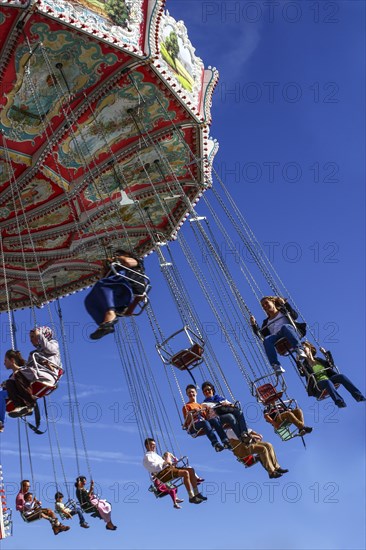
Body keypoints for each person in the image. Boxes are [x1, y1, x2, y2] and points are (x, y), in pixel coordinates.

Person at [85, 249, 148, 340]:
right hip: (119, 294)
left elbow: (127, 262)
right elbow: (103, 278)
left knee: (103, 285)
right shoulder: (116, 269)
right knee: (90, 301)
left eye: (119, 254)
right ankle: (106, 324)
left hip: (130, 288)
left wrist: (117, 258)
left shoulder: (136, 262)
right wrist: (105, 268)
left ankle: (110, 314)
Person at [5, 327, 62, 417]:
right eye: (30, 337)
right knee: (10, 382)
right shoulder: (33, 353)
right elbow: (28, 368)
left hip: (48, 374)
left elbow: (49, 348)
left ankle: (30, 403)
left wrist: (39, 335)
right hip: (37, 373)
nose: (31, 340)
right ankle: (21, 406)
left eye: (33, 336)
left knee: (19, 374)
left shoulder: (53, 344)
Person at [250, 296, 307, 375]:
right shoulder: (266, 322)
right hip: (278, 338)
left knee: (285, 327)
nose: (265, 306)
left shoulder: (283, 311)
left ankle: (299, 349)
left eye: (266, 303)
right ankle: (276, 365)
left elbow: (294, 316)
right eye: (263, 305)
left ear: (273, 302)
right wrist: (254, 325)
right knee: (266, 341)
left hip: (289, 332)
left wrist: (285, 304)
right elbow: (261, 335)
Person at [299, 342, 366, 407]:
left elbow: (331, 365)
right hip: (317, 385)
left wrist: (325, 353)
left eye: (303, 347)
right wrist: (298, 362)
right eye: (301, 349)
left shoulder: (318, 359)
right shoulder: (304, 364)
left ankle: (358, 396)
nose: (302, 350)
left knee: (341, 376)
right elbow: (302, 373)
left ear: (309, 348)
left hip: (329, 380)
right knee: (327, 382)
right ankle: (339, 402)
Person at [143, 438, 207, 504]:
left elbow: (164, 463)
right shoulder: (147, 457)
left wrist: (170, 463)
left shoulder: (155, 455)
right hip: (163, 474)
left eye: (154, 445)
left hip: (169, 469)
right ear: (147, 445)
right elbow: (153, 467)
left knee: (191, 470)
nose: (154, 446)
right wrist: (165, 463)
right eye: (152, 445)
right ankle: (191, 496)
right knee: (185, 473)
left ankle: (196, 494)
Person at [183, 385, 231, 451]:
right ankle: (215, 443)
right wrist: (194, 413)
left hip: (204, 422)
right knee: (205, 422)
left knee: (214, 420)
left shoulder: (200, 406)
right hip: (194, 425)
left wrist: (208, 411)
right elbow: (187, 420)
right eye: (189, 393)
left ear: (196, 393)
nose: (191, 394)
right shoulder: (187, 406)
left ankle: (225, 440)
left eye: (192, 392)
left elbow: (207, 417)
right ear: (187, 394)